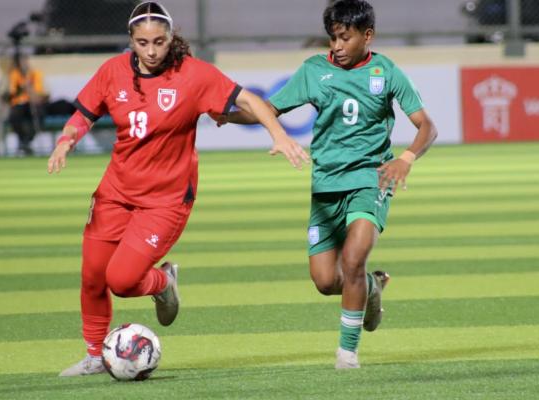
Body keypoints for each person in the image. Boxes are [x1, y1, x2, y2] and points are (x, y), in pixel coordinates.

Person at [48, 1, 310, 377]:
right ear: (131, 40)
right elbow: (83, 115)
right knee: (92, 276)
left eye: (159, 42)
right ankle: (94, 356)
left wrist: (279, 135)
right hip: (115, 192)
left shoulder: (193, 74)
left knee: (121, 280)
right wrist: (65, 141)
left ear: (171, 38)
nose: (152, 51)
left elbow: (249, 100)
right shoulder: (112, 71)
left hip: (165, 201)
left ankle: (163, 281)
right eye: (143, 43)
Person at [218, 0, 437, 369]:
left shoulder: (386, 72)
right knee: (324, 281)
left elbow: (427, 126)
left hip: (370, 179)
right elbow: (269, 110)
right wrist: (227, 116)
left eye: (345, 38)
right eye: (333, 38)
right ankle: (371, 287)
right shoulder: (314, 70)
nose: (337, 46)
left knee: (353, 260)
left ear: (368, 36)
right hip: (325, 185)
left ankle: (347, 353)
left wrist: (406, 158)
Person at [7, 53, 47, 156]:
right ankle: (23, 140)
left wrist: (29, 87)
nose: (23, 64)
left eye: (24, 61)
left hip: (32, 103)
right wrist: (22, 87)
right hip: (18, 104)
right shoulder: (14, 74)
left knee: (39, 114)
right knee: (14, 116)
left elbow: (39, 94)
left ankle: (27, 141)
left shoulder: (35, 74)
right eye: (20, 62)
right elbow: (12, 93)